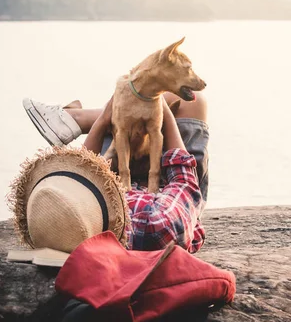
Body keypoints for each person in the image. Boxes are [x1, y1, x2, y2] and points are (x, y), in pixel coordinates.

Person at [20, 92, 209, 253]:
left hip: (116, 184)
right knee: (190, 100)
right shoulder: (154, 224)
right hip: (164, 189)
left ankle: (75, 118)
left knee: (149, 101)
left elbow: (82, 172)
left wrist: (103, 122)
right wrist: (161, 111)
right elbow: (185, 183)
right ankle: (77, 118)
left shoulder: (76, 226)